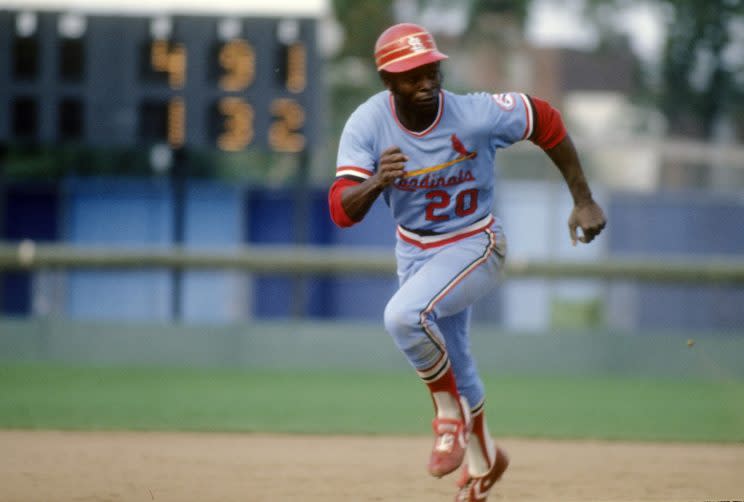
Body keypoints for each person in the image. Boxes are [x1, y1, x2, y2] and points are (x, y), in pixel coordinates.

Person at [328, 22, 606, 501]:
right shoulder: (368, 123)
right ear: (388, 82)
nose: (427, 80)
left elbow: (546, 121)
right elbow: (340, 210)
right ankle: (484, 463)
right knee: (455, 359)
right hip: (414, 251)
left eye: (431, 68)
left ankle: (448, 419)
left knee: (403, 316)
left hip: (476, 241)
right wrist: (375, 182)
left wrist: (583, 200)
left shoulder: (475, 114)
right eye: (411, 74)